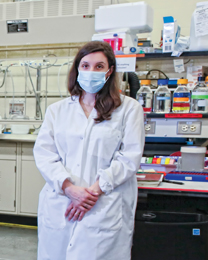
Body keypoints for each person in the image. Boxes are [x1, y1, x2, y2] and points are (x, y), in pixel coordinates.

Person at [33, 41, 145, 260]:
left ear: (110, 71)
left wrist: (93, 192)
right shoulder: (57, 111)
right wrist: (70, 190)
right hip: (62, 202)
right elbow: (45, 154)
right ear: (77, 69)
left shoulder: (129, 109)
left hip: (103, 205)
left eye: (99, 66)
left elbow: (129, 158)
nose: (91, 71)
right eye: (85, 66)